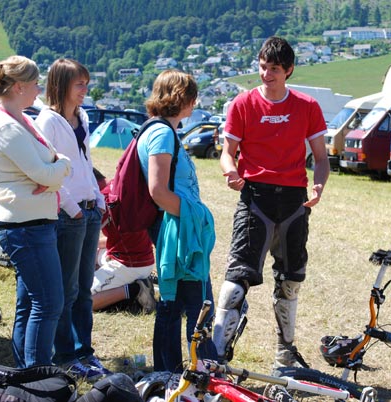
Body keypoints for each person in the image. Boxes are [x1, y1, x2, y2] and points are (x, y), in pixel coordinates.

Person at [212, 36, 330, 369]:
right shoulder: (243, 104)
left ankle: (285, 354)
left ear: (289, 70)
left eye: (274, 69)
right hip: (255, 199)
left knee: (291, 279)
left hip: (294, 200)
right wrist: (230, 172)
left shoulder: (307, 106)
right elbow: (226, 154)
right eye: (263, 67)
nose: (266, 75)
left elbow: (321, 158)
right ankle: (216, 356)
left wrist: (319, 186)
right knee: (237, 279)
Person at [0, 55, 71, 367]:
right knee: (48, 303)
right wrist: (56, 172)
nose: (39, 90)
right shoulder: (8, 127)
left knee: (31, 304)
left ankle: (26, 375)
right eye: (35, 84)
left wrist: (56, 169)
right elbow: (48, 171)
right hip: (25, 227)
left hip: (33, 224)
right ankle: (36, 376)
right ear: (19, 87)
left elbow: (53, 162)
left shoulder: (22, 119)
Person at [136, 69, 215, 372]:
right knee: (197, 302)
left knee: (174, 301)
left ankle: (169, 370)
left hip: (175, 226)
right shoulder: (161, 133)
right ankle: (201, 370)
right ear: (182, 98)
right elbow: (158, 191)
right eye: (192, 97)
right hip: (177, 229)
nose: (194, 104)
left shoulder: (161, 130)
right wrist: (195, 216)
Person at [35, 59, 109, 381]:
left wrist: (100, 198)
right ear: (62, 85)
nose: (85, 90)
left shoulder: (83, 116)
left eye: (86, 84)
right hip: (70, 213)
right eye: (80, 84)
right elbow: (48, 171)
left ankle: (84, 351)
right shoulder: (48, 122)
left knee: (84, 288)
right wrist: (71, 206)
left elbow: (85, 162)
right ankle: (65, 354)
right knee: (66, 289)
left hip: (90, 209)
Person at [90, 168, 156, 313]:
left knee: (81, 300)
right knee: (95, 252)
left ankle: (135, 289)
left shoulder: (103, 200)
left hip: (129, 264)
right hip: (141, 258)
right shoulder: (115, 187)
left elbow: (83, 240)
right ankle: (142, 282)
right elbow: (113, 239)